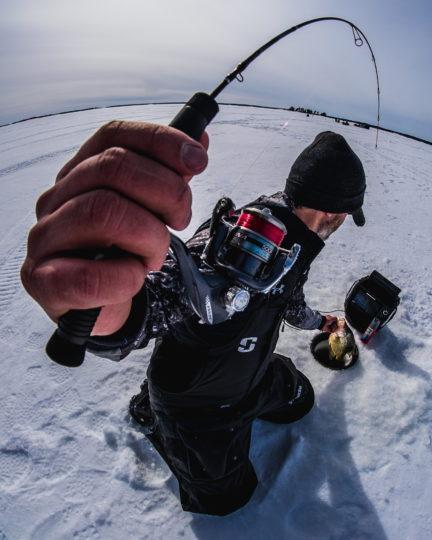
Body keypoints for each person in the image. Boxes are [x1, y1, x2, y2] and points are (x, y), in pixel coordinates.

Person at [21, 122, 366, 516]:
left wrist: (319, 321)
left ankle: (184, 408)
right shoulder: (242, 240)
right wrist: (105, 310)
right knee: (227, 500)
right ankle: (154, 416)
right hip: (196, 401)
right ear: (334, 213)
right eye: (345, 215)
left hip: (246, 376)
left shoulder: (300, 239)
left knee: (300, 401)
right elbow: (163, 296)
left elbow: (288, 298)